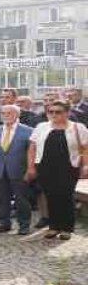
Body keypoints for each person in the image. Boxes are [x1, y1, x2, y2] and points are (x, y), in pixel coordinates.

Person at [27, 100, 88, 240]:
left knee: (66, 196)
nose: (54, 114)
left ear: (67, 113)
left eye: (58, 112)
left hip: (68, 167)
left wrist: (85, 165)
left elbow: (85, 148)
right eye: (51, 112)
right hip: (45, 167)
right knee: (50, 196)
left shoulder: (78, 127)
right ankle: (53, 226)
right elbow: (32, 148)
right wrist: (31, 167)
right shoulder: (41, 127)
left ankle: (67, 228)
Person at [0, 105, 33, 235]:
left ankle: (24, 225)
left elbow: (32, 153)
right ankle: (4, 223)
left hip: (19, 170)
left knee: (21, 199)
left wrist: (30, 170)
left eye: (9, 113)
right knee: (1, 198)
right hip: (0, 170)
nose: (5, 115)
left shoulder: (28, 131)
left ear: (17, 115)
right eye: (3, 113)